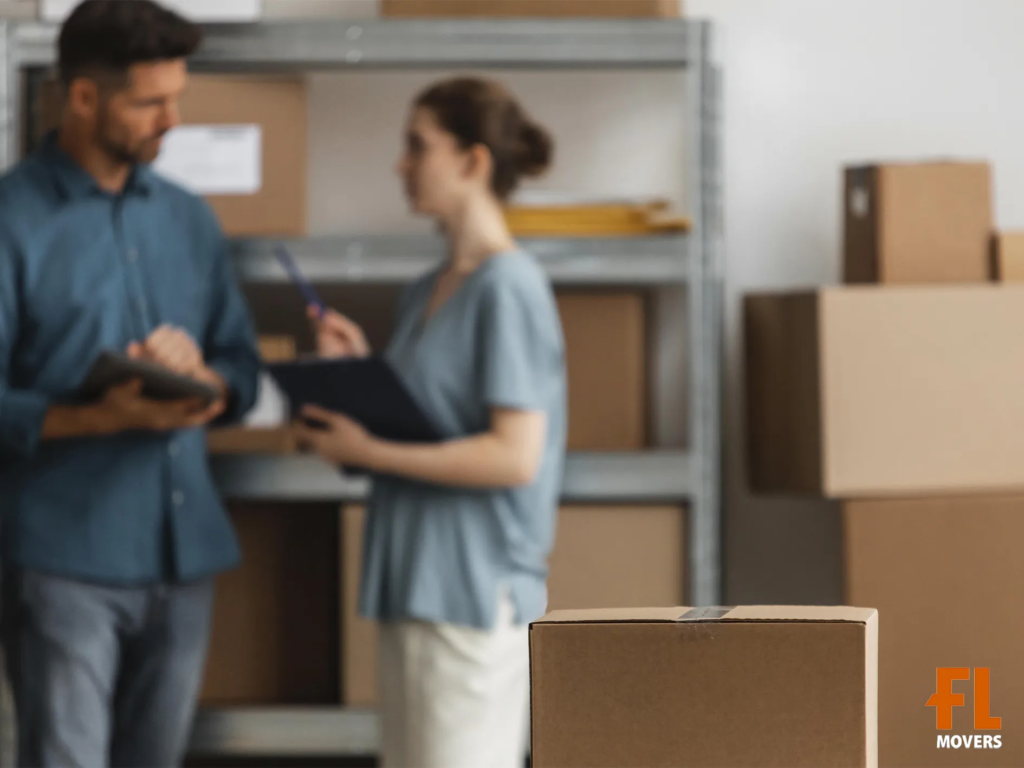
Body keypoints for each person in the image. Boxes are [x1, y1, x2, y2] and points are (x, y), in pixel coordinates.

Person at [0, 1, 261, 766]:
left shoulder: (189, 220)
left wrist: (202, 378)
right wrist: (95, 419)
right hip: (63, 562)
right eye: (150, 102)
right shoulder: (11, 220)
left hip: (186, 560)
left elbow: (242, 369)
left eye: (177, 98)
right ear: (83, 97)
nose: (172, 120)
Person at [295, 77, 566, 768]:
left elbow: (514, 456)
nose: (401, 163)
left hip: (472, 592)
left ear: (473, 162)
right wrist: (361, 373)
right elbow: (431, 421)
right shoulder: (428, 287)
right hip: (410, 581)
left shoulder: (509, 288)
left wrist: (372, 450)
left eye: (418, 146)